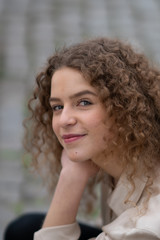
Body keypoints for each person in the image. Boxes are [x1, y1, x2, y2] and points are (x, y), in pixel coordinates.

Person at [5, 37, 160, 240]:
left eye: (84, 102)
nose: (64, 120)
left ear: (123, 107)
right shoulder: (120, 155)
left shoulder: (144, 227)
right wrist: (73, 172)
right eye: (58, 107)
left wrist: (70, 178)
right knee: (24, 228)